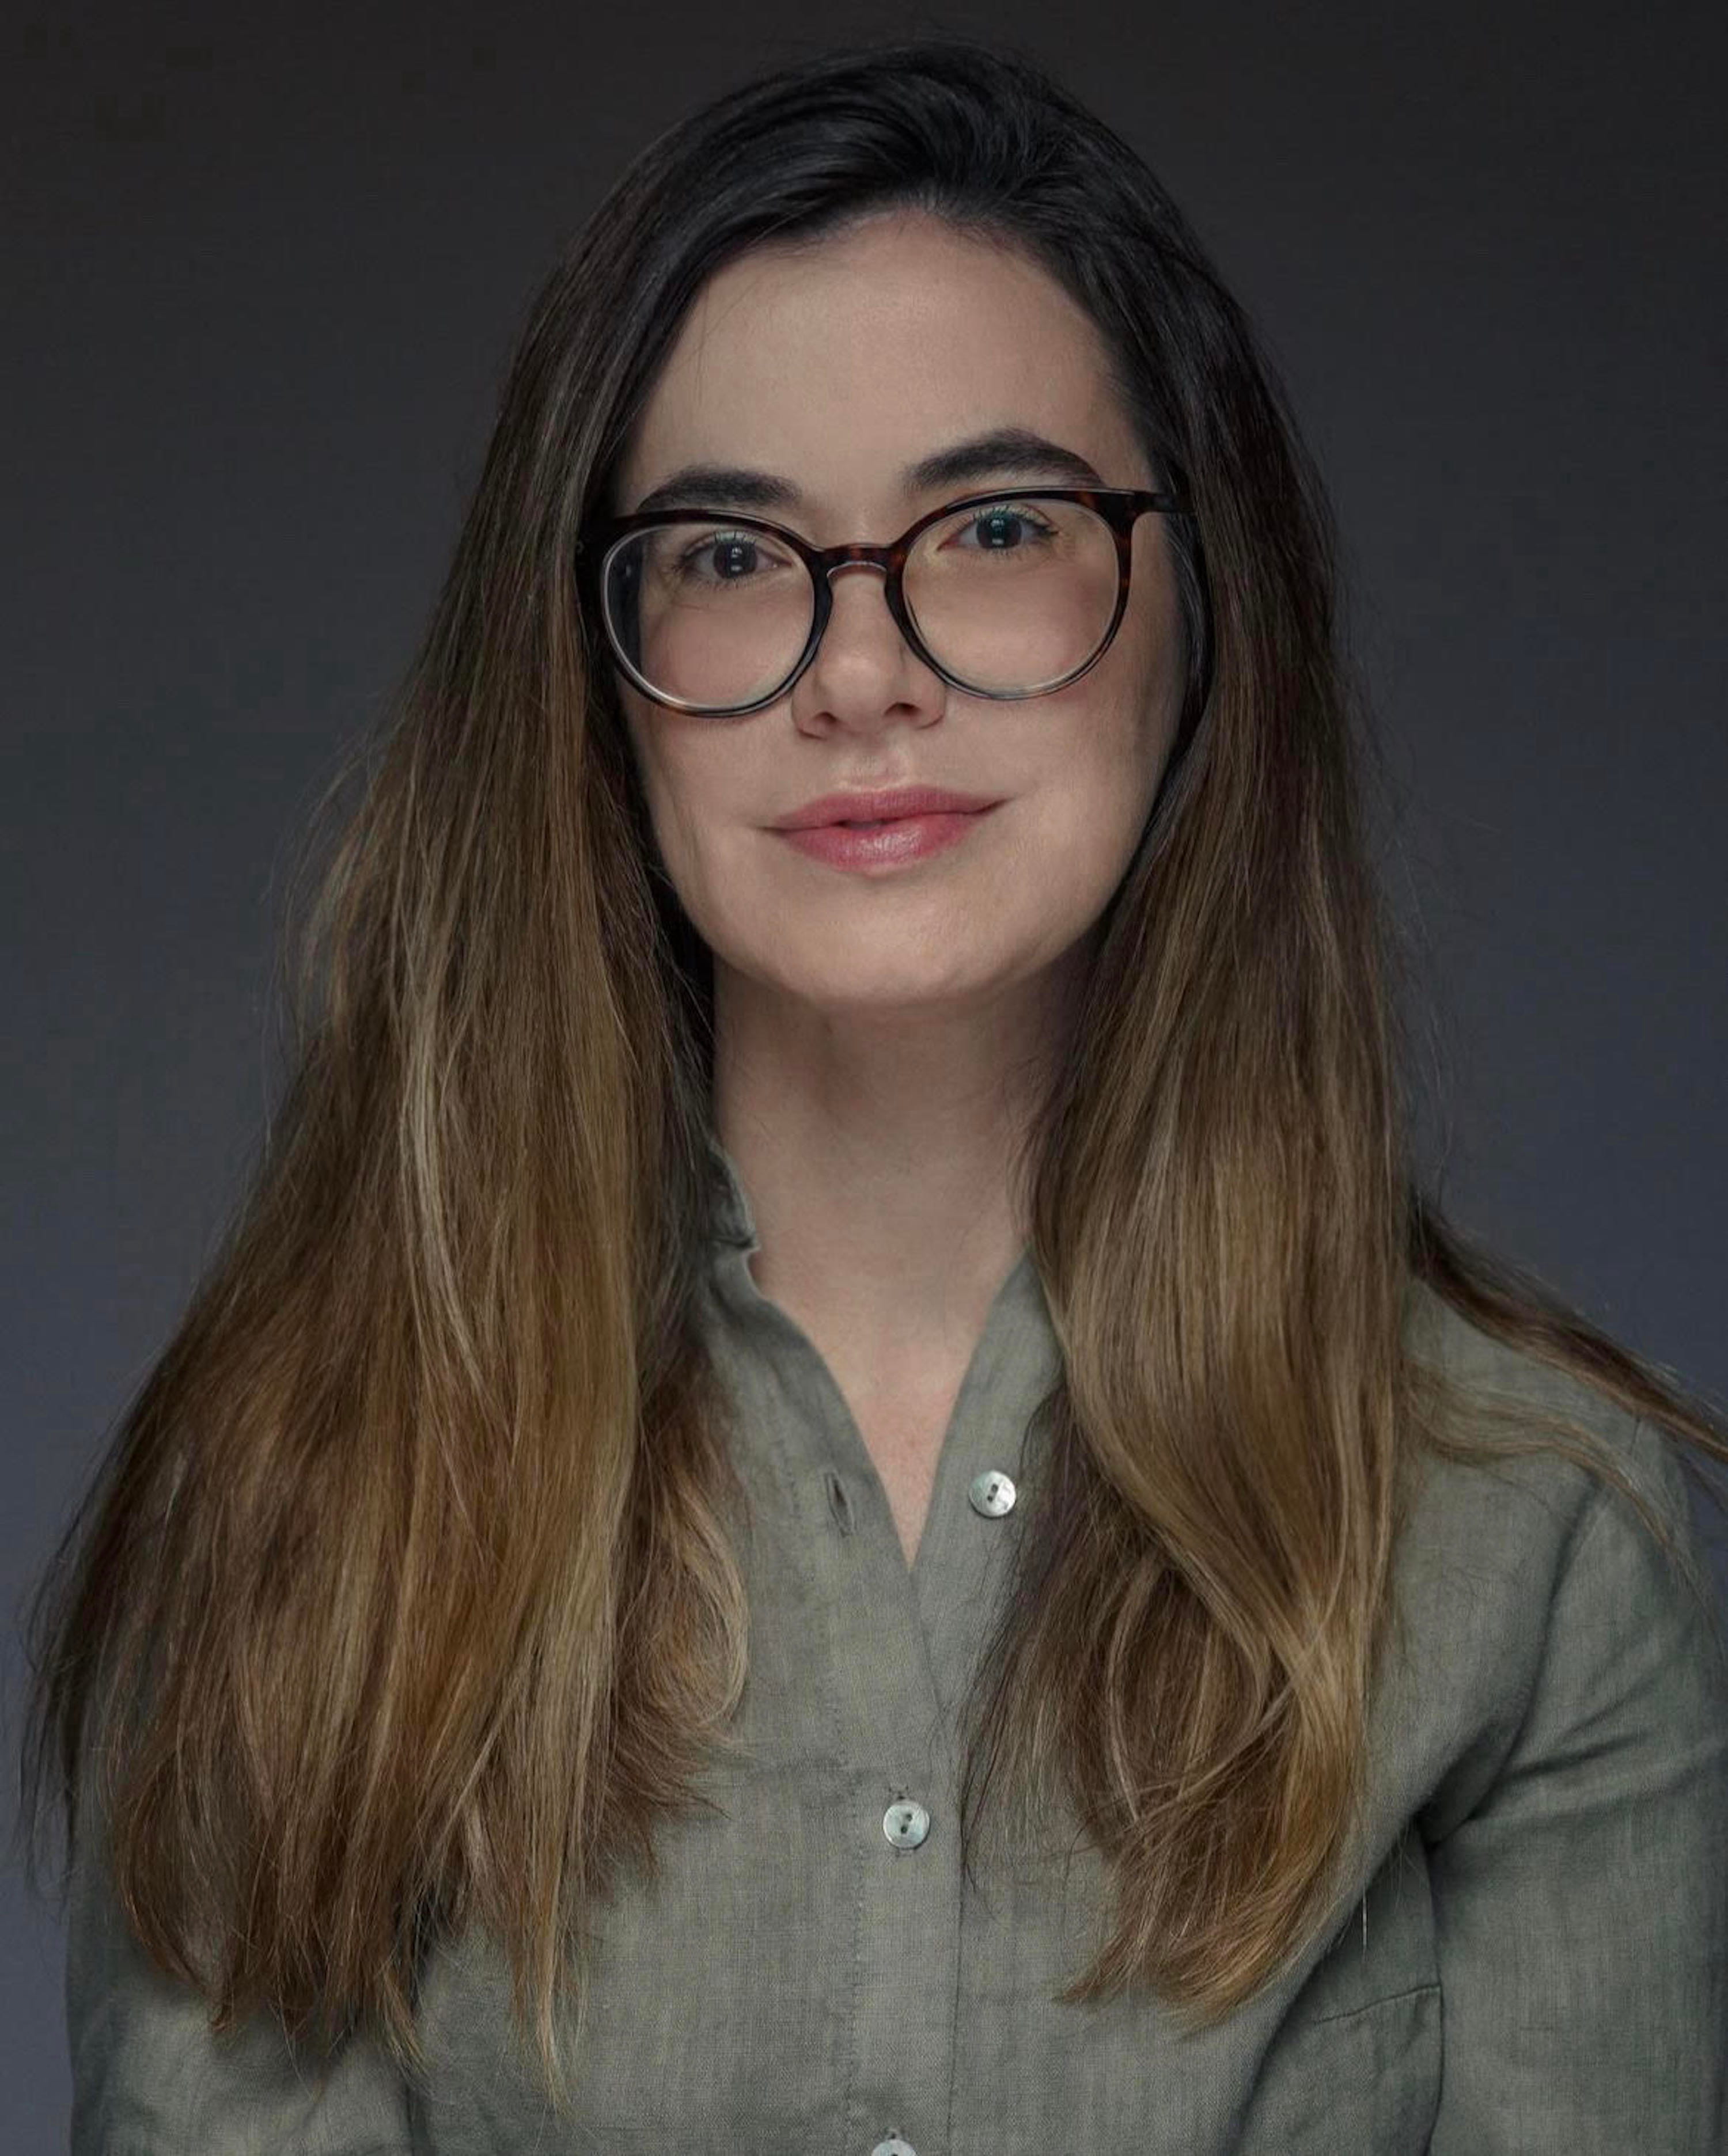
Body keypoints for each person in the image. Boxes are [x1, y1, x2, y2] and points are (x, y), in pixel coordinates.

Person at [17, 34, 1728, 2156]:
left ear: (1209, 611)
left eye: (995, 525)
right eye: (732, 554)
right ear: (590, 669)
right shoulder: (302, 1501)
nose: (858, 671)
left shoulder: (1542, 1533)